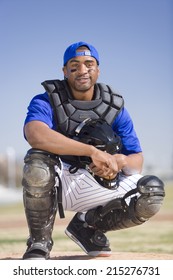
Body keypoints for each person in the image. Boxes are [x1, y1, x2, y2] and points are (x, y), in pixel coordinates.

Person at [22, 41, 165, 260]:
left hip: (100, 182)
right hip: (61, 182)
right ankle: (39, 242)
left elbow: (137, 159)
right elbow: (35, 134)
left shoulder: (114, 106)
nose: (82, 70)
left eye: (89, 64)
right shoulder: (47, 100)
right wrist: (92, 152)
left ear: (98, 69)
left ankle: (86, 226)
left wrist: (118, 162)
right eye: (74, 64)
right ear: (64, 70)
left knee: (151, 192)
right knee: (36, 163)